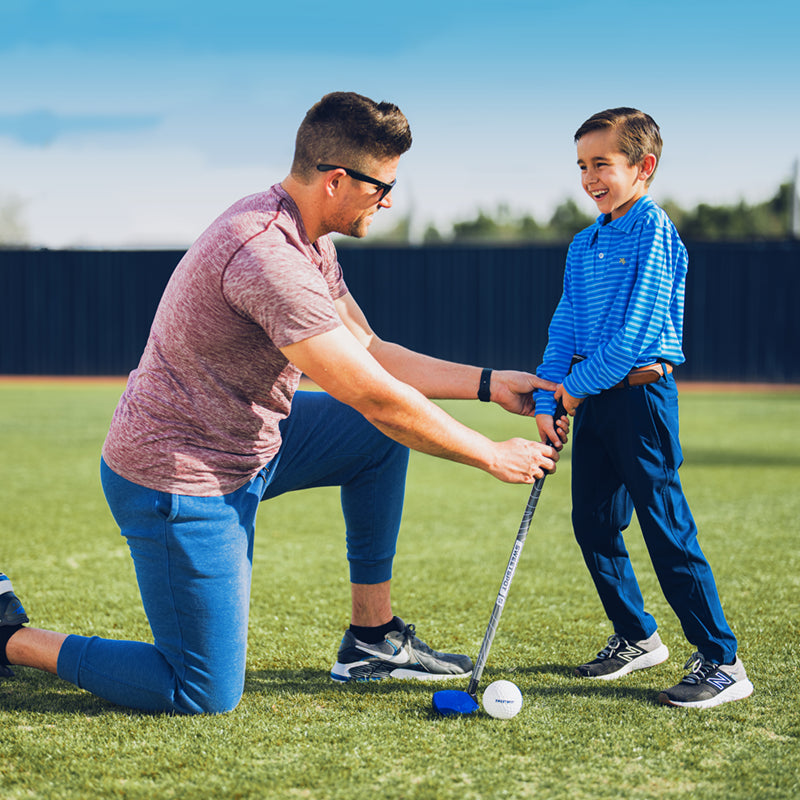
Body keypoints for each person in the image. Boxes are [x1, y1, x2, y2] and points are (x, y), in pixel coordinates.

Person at [0, 91, 563, 714]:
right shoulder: (267, 255)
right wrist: (490, 454)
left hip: (250, 445)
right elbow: (372, 394)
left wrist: (489, 383)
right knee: (201, 691)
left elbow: (370, 350)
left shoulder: (310, 237)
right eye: (382, 187)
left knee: (372, 442)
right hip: (182, 476)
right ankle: (12, 638)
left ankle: (372, 641)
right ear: (336, 180)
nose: (390, 200)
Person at [534, 107, 753, 709]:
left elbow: (633, 337)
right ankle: (638, 636)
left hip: (640, 399)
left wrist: (574, 389)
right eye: (582, 166)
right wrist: (544, 395)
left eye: (601, 164)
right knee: (594, 524)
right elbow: (564, 328)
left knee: (666, 529)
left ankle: (722, 661)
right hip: (594, 401)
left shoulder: (654, 229)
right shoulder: (584, 243)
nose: (589, 178)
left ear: (643, 166)